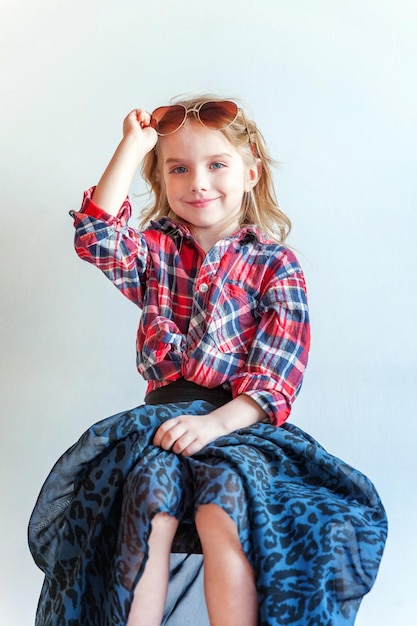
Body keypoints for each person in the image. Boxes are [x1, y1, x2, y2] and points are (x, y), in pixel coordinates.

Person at [28, 95, 387, 626]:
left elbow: (275, 378)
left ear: (250, 174)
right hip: (162, 424)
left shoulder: (275, 265)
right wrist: (133, 146)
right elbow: (97, 236)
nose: (198, 182)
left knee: (227, 500)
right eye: (178, 168)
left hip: (242, 425)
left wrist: (215, 424)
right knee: (146, 498)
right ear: (162, 180)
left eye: (217, 165)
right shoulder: (156, 253)